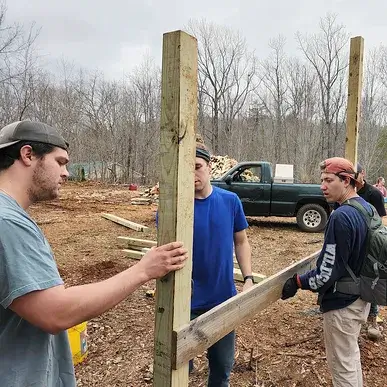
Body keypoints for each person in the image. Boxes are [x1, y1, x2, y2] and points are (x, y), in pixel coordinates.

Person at [0, 120, 188, 387]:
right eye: (60, 161)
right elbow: (55, 312)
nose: (66, 173)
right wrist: (143, 270)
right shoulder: (8, 222)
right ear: (28, 155)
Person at [281, 157, 371, 387]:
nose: (323, 186)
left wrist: (298, 282)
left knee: (342, 369)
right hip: (362, 297)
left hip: (342, 304)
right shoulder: (366, 208)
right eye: (322, 180)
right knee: (350, 359)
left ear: (347, 181)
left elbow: (326, 273)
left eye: (329, 180)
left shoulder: (340, 216)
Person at [191, 143, 253, 387]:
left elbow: (241, 241)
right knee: (178, 369)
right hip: (184, 303)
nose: (192, 174)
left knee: (221, 371)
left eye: (197, 167)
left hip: (223, 300)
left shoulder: (230, 201)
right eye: (185, 168)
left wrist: (248, 278)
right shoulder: (175, 207)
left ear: (209, 167)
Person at [356, 163, 386, 340]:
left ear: (363, 174)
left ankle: (373, 319)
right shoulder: (346, 191)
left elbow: (379, 221)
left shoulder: (373, 193)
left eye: (356, 174)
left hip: (370, 243)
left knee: (372, 278)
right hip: (353, 242)